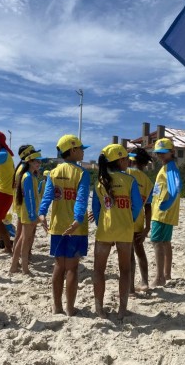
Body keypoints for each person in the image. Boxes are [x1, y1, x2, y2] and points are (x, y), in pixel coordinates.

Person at [38, 134, 90, 316]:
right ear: (73, 150)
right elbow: (81, 199)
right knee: (72, 268)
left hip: (58, 225)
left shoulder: (53, 172)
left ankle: (57, 306)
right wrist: (77, 219)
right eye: (81, 149)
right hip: (76, 227)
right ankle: (69, 308)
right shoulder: (82, 173)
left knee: (59, 266)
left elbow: (47, 196)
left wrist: (42, 213)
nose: (83, 152)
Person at [92, 144, 142, 320]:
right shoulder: (130, 180)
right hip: (125, 230)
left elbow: (96, 209)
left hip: (105, 230)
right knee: (125, 270)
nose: (128, 161)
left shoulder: (100, 181)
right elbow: (137, 206)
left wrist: (101, 224)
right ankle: (122, 310)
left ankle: (99, 309)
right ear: (120, 160)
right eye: (126, 159)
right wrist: (129, 220)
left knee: (99, 270)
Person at [150, 138, 182, 287]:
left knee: (157, 242)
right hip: (163, 211)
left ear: (172, 152)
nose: (160, 155)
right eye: (158, 153)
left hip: (162, 212)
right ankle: (166, 273)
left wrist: (167, 203)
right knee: (165, 242)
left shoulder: (170, 167)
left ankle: (159, 277)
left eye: (163, 152)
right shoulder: (168, 166)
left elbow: (176, 186)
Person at [10, 147, 44, 275]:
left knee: (21, 239)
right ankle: (25, 268)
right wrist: (33, 215)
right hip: (28, 213)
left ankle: (14, 266)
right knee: (25, 241)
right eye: (36, 161)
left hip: (27, 212)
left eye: (39, 161)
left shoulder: (29, 175)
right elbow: (29, 198)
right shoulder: (28, 176)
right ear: (29, 161)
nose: (38, 163)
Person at [126, 148, 154, 294]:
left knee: (129, 254)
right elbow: (148, 207)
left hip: (124, 219)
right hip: (139, 221)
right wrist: (147, 227)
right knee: (139, 251)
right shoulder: (148, 182)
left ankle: (130, 287)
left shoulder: (126, 173)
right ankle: (145, 282)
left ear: (131, 159)